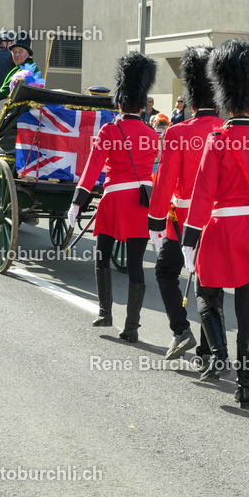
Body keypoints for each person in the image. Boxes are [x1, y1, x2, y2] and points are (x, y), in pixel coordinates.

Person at [182, 39, 249, 408]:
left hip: (220, 229)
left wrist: (188, 239)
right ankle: (245, 384)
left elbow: (202, 194)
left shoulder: (218, 140)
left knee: (207, 296)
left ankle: (219, 353)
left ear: (226, 98)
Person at [68, 52, 160, 343]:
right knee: (135, 264)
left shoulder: (110, 129)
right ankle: (132, 326)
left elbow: (92, 168)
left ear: (119, 103)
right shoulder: (151, 133)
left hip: (115, 200)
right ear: (143, 105)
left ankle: (105, 312)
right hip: (141, 202)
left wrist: (77, 202)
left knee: (102, 256)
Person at [148, 46, 223, 362]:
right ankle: (209, 349)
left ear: (191, 98)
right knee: (211, 284)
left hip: (182, 218)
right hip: (218, 219)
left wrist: (155, 220)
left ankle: (181, 330)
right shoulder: (226, 130)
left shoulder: (179, 132)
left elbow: (165, 180)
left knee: (166, 272)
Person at [0, 33, 39, 103]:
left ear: (27, 54)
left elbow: (9, 90)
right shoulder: (17, 68)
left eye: (20, 52)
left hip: (11, 104)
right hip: (1, 99)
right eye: (14, 52)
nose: (17, 55)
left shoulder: (26, 70)